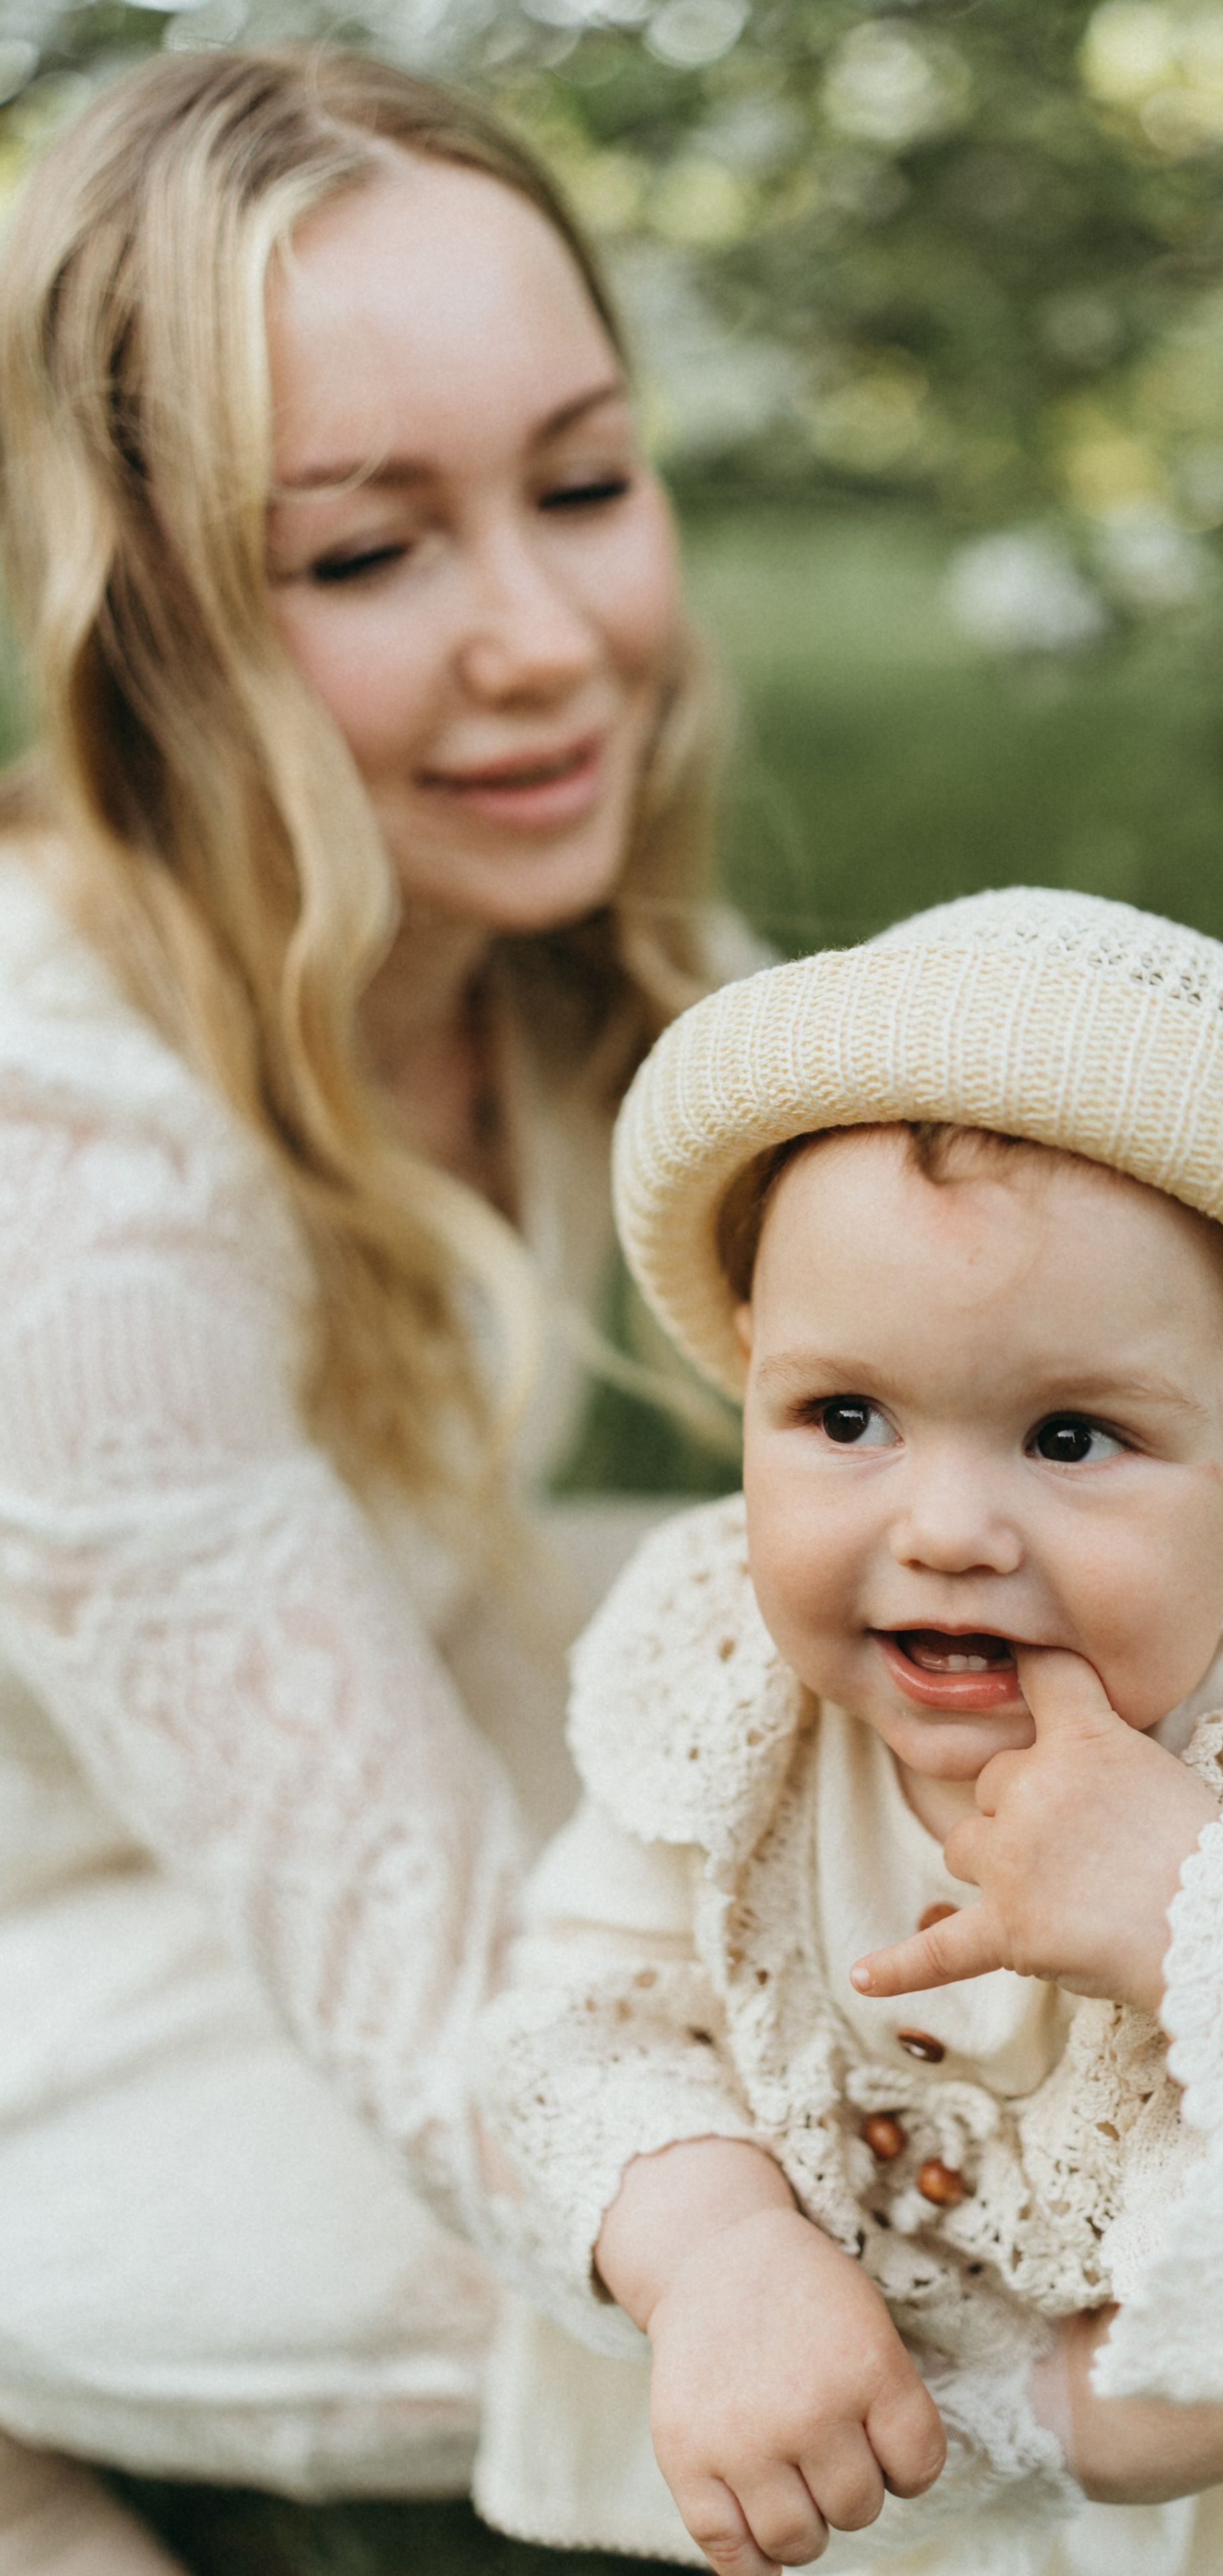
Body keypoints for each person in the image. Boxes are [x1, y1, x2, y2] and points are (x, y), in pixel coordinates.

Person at [472, 889, 1223, 2576]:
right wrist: (717, 2248)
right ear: (747, 1373)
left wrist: (1212, 1902)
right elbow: (575, 2011)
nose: (947, 1523)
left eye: (1070, 1435)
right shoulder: (723, 1664)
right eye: (843, 1416)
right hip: (851, 2433)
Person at [0, 45, 741, 2574]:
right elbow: (442, 2007)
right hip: (37, 1925)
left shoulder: (551, 945)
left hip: (337, 1676)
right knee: (829, 2264)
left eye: (581, 484)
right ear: (151, 610)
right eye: (364, 556)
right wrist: (756, 2249)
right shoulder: (69, 1189)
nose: (544, 644)